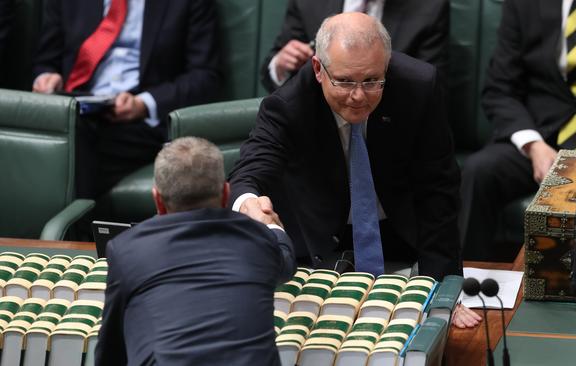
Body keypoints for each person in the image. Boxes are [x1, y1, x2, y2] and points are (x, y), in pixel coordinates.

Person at [230, 12, 480, 328]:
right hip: (320, 245)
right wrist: (248, 202)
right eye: (345, 81)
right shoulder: (289, 104)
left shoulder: (419, 86)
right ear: (319, 69)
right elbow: (249, 170)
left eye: (372, 80)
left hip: (398, 233)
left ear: (386, 67)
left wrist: (444, 293)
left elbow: (438, 191)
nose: (359, 96)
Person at [459, 0, 576, 261]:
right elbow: (500, 90)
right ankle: (469, 282)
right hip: (543, 139)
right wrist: (533, 145)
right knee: (479, 171)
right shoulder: (524, 5)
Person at [95, 137, 295, 366]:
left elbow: (111, 348)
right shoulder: (256, 240)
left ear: (158, 201)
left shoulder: (126, 249)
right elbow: (286, 262)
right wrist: (270, 225)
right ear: (225, 195)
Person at [32, 0, 220, 199]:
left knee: (72, 145)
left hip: (140, 124)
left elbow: (205, 76)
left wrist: (143, 104)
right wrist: (46, 77)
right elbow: (46, 61)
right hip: (76, 107)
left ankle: (62, 228)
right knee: (68, 132)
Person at [260, 0, 449, 92]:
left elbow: (430, 87)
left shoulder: (429, 8)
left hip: (390, 126)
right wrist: (280, 65)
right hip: (314, 125)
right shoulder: (308, 3)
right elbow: (273, 71)